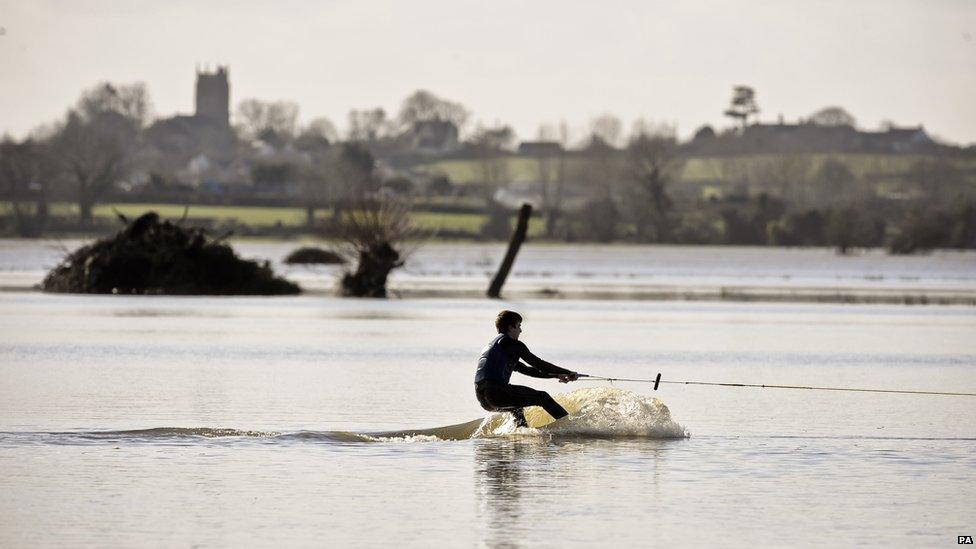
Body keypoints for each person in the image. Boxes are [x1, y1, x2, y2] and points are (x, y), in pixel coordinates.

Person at [475, 310, 579, 427]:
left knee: (517, 408)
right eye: (519, 326)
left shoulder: (493, 347)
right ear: (511, 327)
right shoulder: (513, 344)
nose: (520, 330)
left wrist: (556, 375)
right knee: (542, 397)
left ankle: (521, 433)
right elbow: (539, 364)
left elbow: (527, 370)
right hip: (496, 392)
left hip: (482, 398)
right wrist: (568, 372)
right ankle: (571, 426)